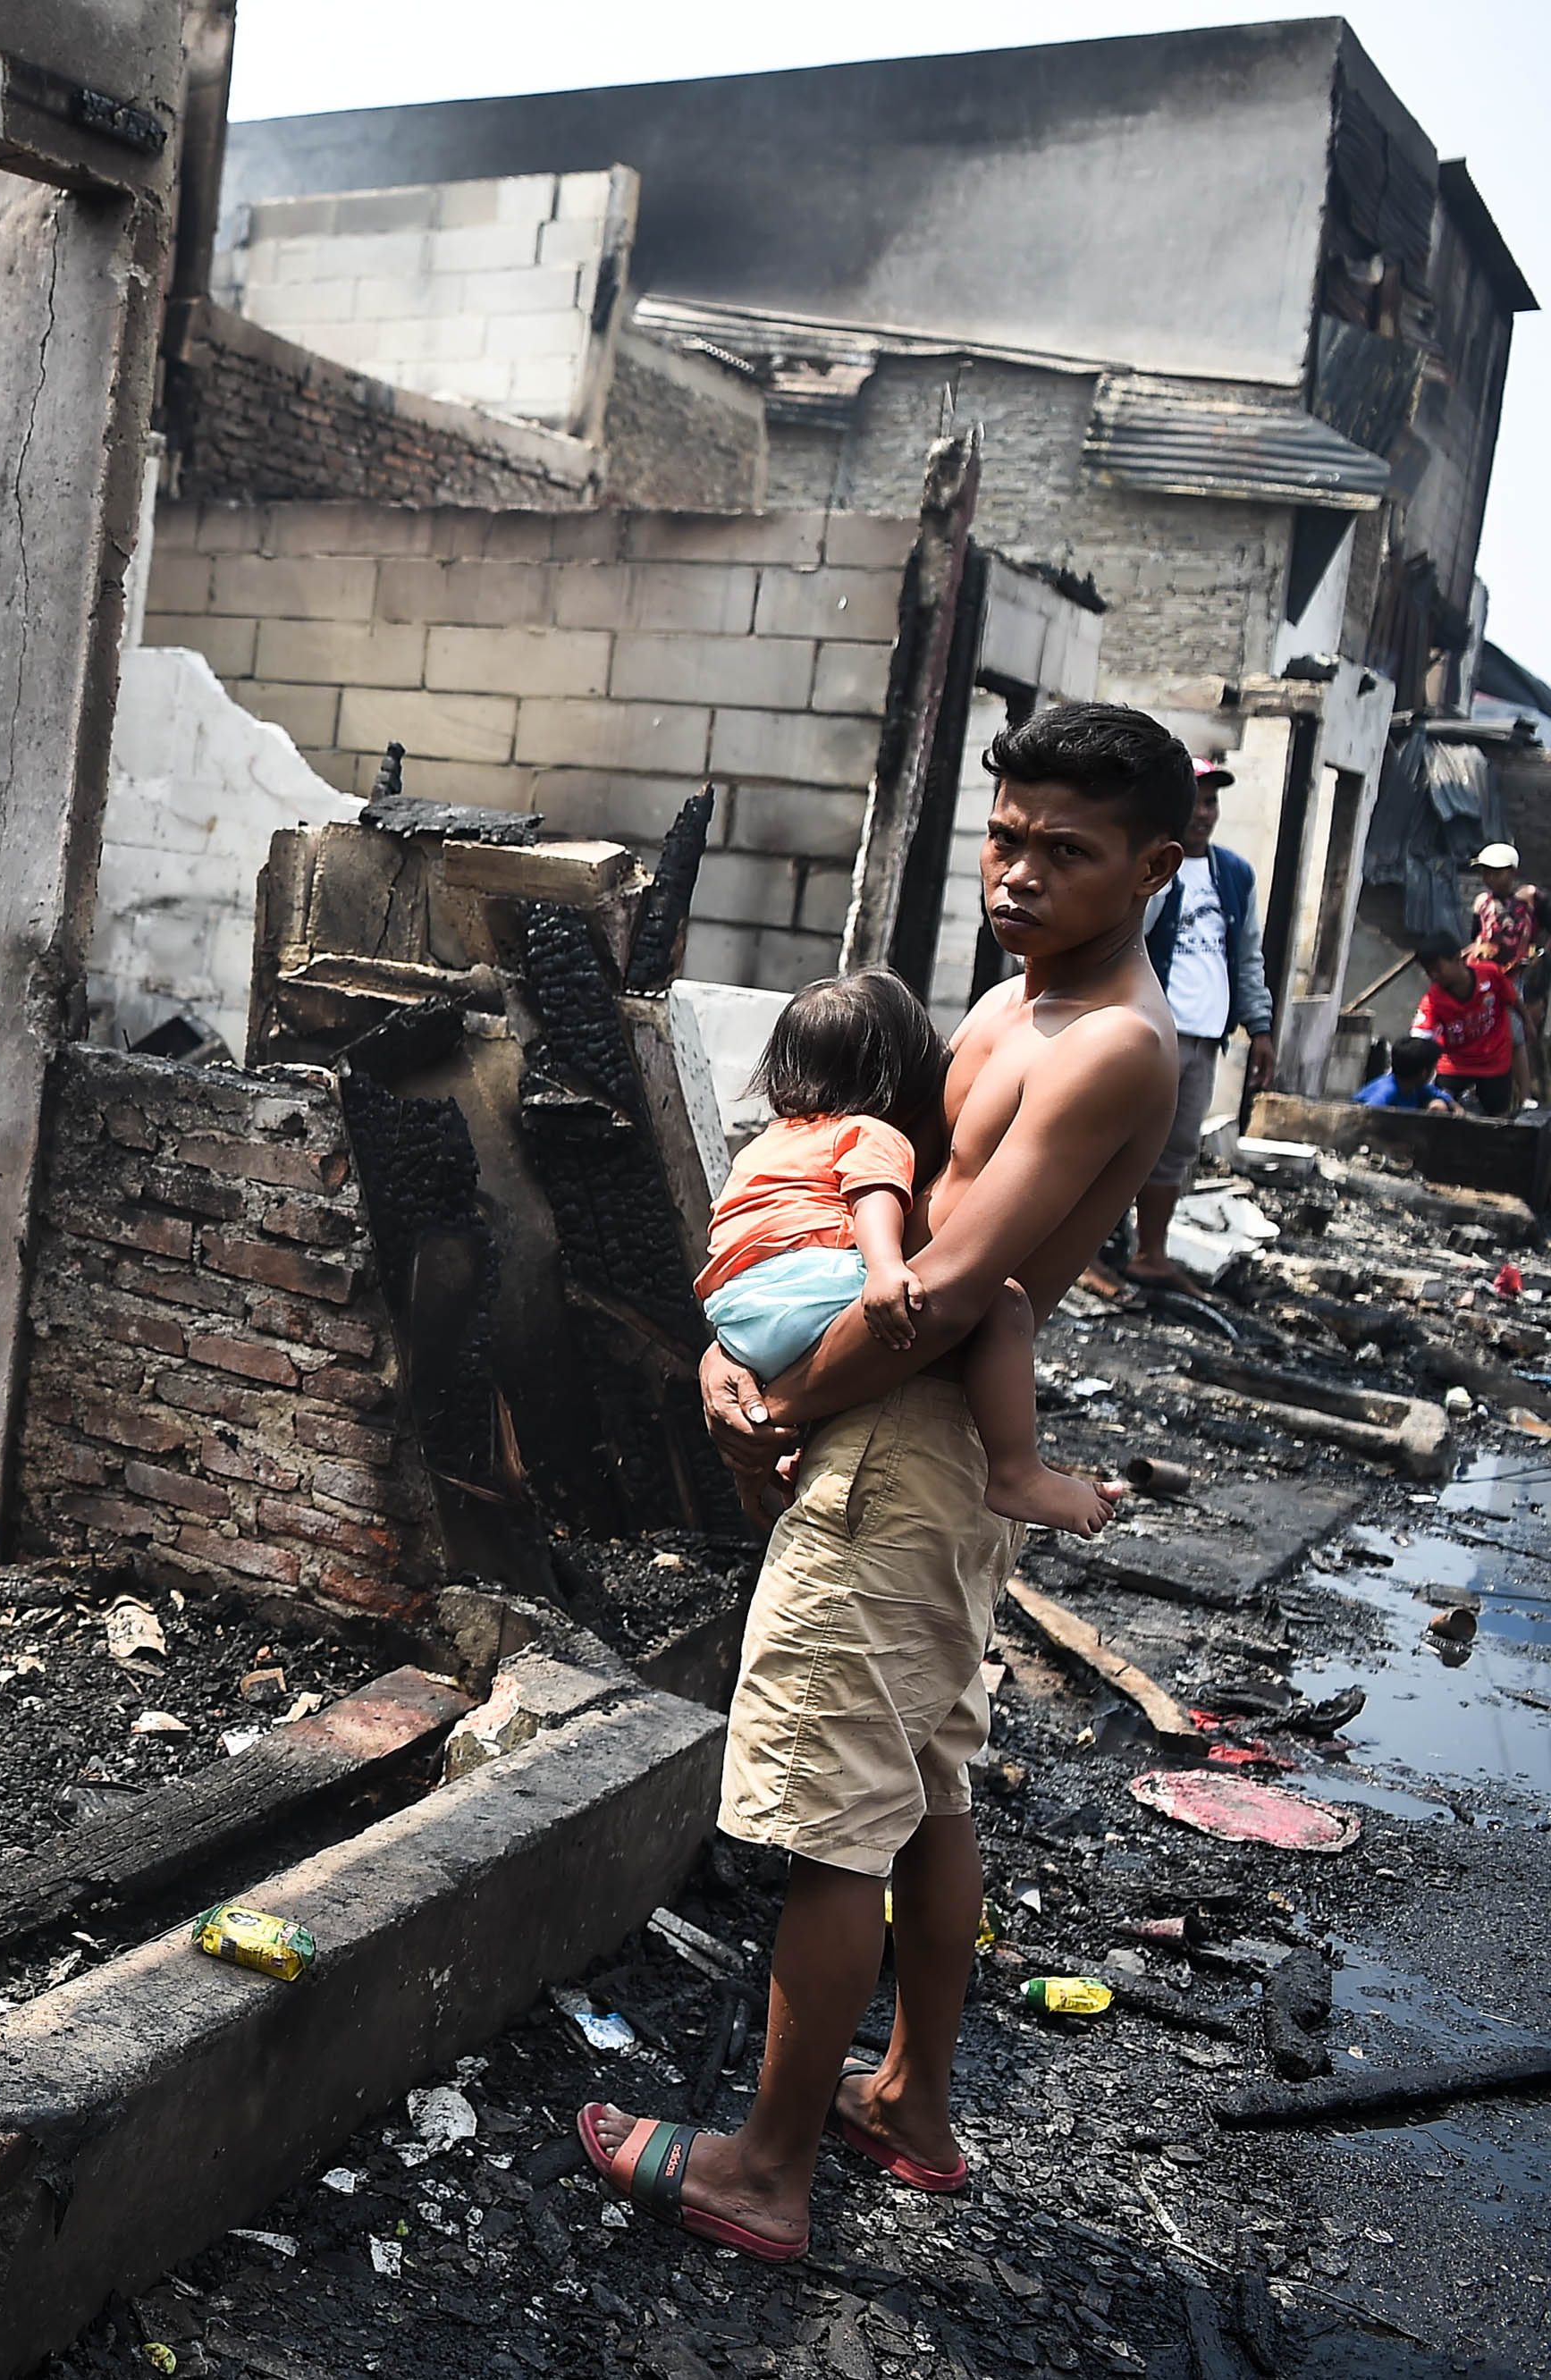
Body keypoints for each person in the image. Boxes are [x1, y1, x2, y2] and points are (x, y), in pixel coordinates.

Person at [578, 700, 1190, 2263]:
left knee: (833, 1818)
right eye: (1007, 836)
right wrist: (745, 1359)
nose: (1019, 872)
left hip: (908, 1439)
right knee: (922, 1783)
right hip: (918, 1440)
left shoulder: (1110, 1043)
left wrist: (769, 1405)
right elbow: (869, 1206)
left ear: (1153, 868)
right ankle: (910, 2101)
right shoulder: (1010, 1004)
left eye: (1068, 850)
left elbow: (955, 1285)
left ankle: (763, 2170)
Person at [695, 970, 1110, 1535]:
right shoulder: (870, 1133)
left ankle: (757, 1482)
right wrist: (886, 1269)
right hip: (811, 1290)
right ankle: (1017, 1472)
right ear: (904, 1084)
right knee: (1003, 1304)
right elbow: (873, 1197)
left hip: (739, 1316)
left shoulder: (768, 1143)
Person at [1110, 757, 1271, 1294]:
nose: (1205, 813)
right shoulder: (1152, 868)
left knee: (1175, 1150)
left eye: (1212, 802)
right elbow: (1124, 936)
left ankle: (1150, 1255)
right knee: (1116, 1143)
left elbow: (1247, 957)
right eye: (1197, 801)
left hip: (1204, 1035)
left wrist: (1260, 1026)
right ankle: (1082, 1255)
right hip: (1150, 1031)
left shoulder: (1234, 875)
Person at [1468, 841, 1546, 1107]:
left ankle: (1525, 1095)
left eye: (1496, 872)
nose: (1489, 878)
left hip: (1514, 978)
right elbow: (1475, 938)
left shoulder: (1529, 901)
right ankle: (1476, 1087)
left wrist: (1539, 956)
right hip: (1484, 977)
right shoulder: (1482, 904)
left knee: (1516, 1035)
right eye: (1486, 872)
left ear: (1512, 872)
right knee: (1478, 1029)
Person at [1409, 930, 1519, 1116]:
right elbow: (1420, 1036)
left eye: (1438, 969)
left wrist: (1528, 1024)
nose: (1434, 976)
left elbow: (1513, 1000)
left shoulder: (1490, 974)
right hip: (1454, 1064)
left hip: (1494, 1060)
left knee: (1498, 1117)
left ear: (1457, 959)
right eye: (1429, 972)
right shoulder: (1433, 1000)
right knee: (1439, 1108)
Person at [1353, 1036, 1462, 1110]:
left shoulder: (1415, 1086)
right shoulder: (1386, 1092)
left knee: (1439, 1106)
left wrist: (1456, 1108)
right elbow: (1367, 1115)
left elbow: (1439, 1094)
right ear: (1424, 1073)